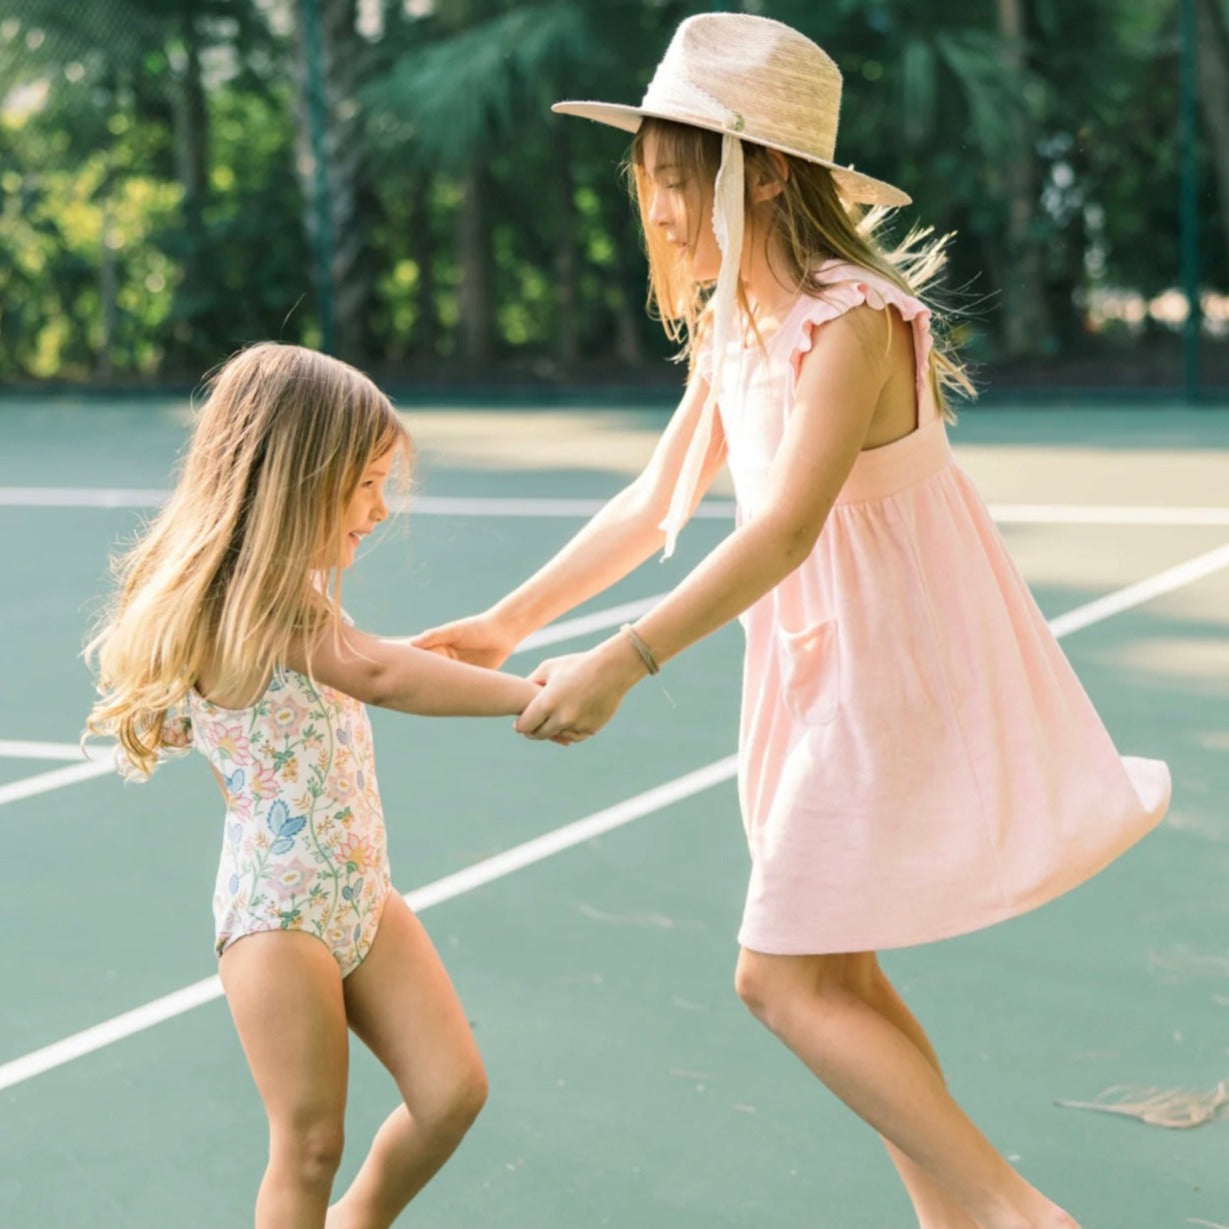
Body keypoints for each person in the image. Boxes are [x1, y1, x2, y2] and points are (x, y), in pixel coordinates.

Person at [412, 13, 1171, 1229]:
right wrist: (506, 619)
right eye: (646, 181)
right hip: (813, 666)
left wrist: (621, 659)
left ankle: (1019, 1216)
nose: (655, 210)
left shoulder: (853, 319)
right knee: (837, 969)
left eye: (674, 179)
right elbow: (654, 501)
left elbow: (780, 529)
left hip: (895, 667)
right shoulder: (737, 323)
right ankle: (963, 1218)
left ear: (759, 171)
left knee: (775, 977)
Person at [85, 342, 538, 1229]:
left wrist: (429, 652)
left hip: (357, 891)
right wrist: (534, 698)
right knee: (308, 1143)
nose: (379, 507)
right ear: (297, 477)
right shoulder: (248, 603)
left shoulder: (290, 598)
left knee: (450, 1091)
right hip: (279, 913)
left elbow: (358, 666)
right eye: (364, 483)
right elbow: (377, 677)